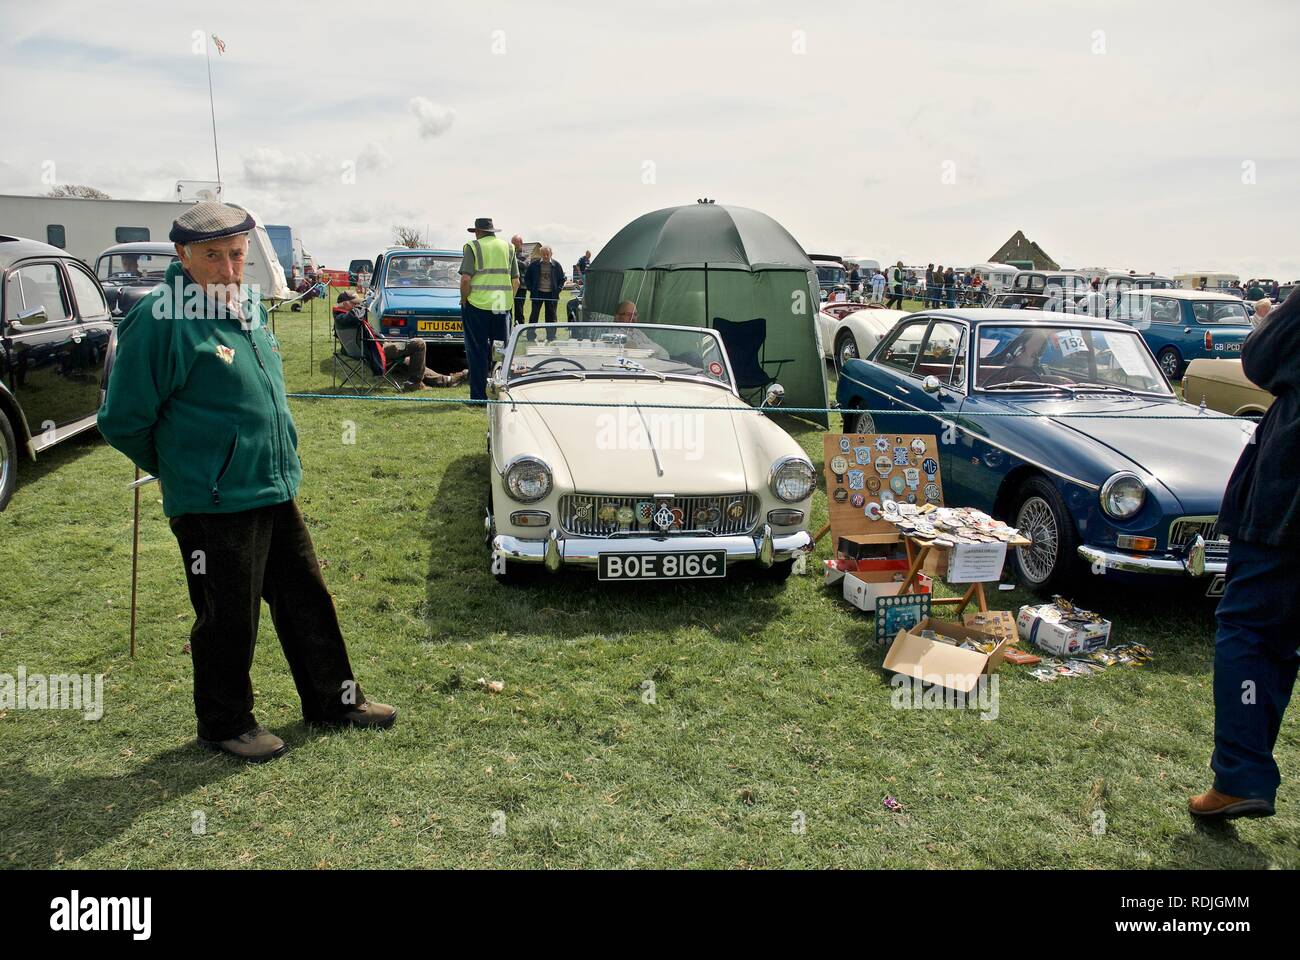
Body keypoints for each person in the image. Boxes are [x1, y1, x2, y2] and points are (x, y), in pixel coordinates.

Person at [96, 202, 396, 763]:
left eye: (237, 255)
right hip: (213, 501)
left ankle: (336, 701)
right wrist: (189, 468)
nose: (229, 269)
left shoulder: (250, 306)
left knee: (307, 598)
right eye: (213, 256)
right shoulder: (160, 317)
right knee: (229, 616)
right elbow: (122, 421)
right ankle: (225, 723)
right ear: (183, 256)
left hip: (271, 486)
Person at [1189, 287, 1300, 820]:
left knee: (1254, 631)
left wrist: (1267, 322)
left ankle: (1240, 775)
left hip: (1289, 505)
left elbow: (1262, 360)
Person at [334, 293, 466, 389]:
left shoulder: (340, 318)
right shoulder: (342, 318)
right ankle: (415, 383)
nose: (359, 305)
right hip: (376, 351)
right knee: (419, 343)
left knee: (410, 362)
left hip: (372, 348)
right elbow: (355, 316)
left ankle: (445, 380)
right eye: (355, 303)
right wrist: (362, 307)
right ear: (345, 304)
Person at [458, 217, 520, 403]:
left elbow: (466, 279)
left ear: (477, 231)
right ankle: (501, 393)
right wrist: (507, 299)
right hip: (502, 307)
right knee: (501, 352)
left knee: (477, 352)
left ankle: (478, 397)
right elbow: (516, 281)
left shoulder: (472, 247)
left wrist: (464, 299)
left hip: (477, 305)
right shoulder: (509, 248)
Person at [525, 245, 567, 334]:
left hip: (551, 295)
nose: (546, 256)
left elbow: (562, 279)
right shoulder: (533, 265)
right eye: (544, 254)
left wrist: (558, 289)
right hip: (537, 294)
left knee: (551, 317)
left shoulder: (557, 265)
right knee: (534, 316)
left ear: (551, 254)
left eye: (547, 254)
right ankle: (531, 335)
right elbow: (527, 278)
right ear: (540, 254)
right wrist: (531, 289)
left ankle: (551, 336)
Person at [511, 234, 529, 324]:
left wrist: (513, 259)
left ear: (521, 243)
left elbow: (525, 265)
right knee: (507, 308)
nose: (513, 245)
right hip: (509, 285)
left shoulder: (526, 254)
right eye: (512, 243)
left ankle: (520, 327)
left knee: (519, 309)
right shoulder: (510, 253)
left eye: (515, 243)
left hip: (521, 286)